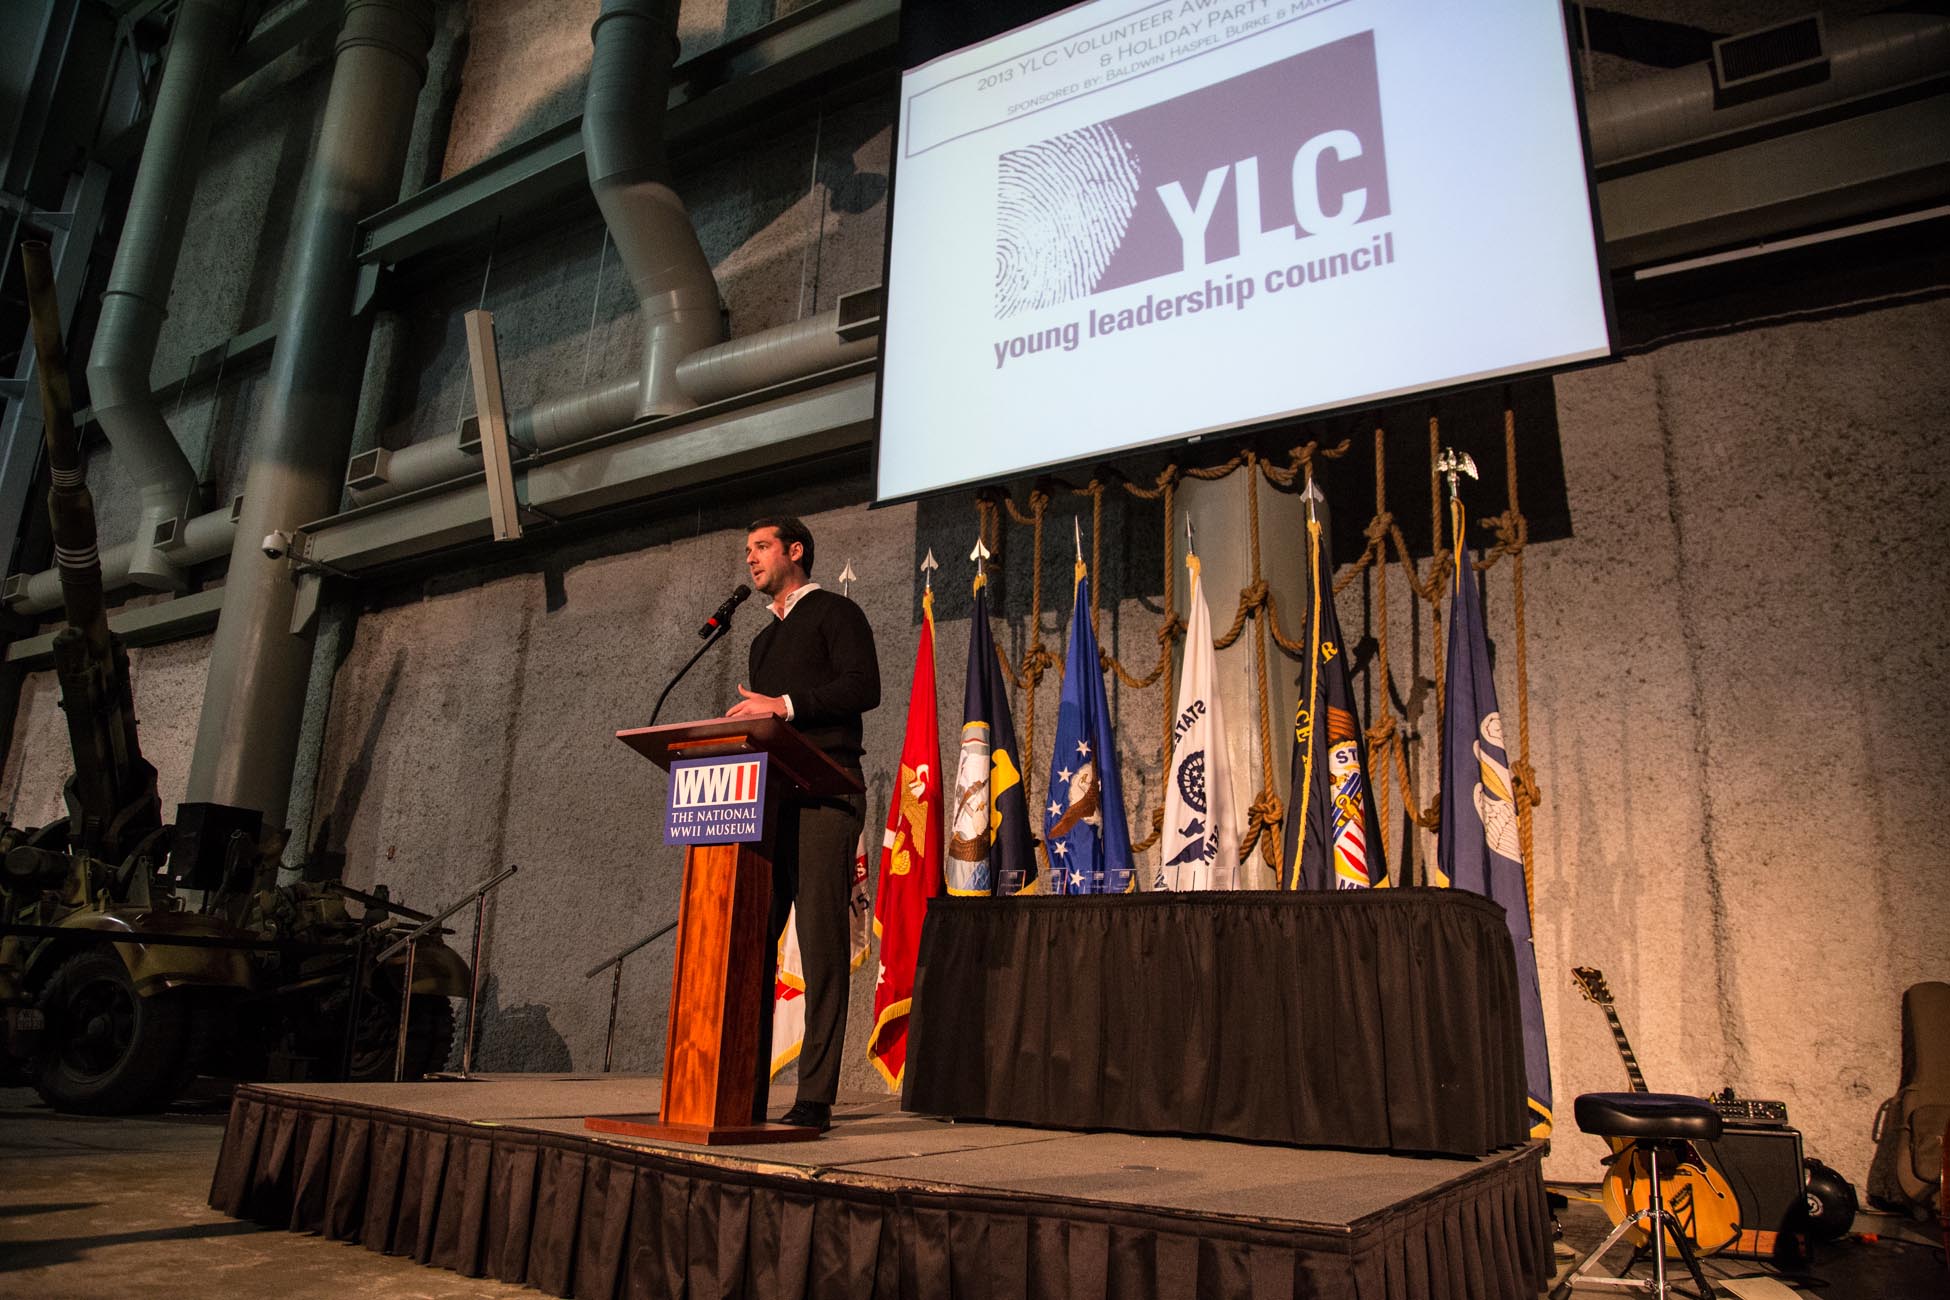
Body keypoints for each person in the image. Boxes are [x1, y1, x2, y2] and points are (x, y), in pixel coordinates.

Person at [727, 516, 879, 1131]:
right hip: (770, 802)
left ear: (795, 551)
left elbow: (863, 687)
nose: (750, 559)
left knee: (820, 947)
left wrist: (783, 707)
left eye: (760, 547)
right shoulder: (762, 644)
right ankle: (747, 1091)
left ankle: (814, 1097)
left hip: (825, 796)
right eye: (746, 550)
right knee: (754, 946)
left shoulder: (837, 615)